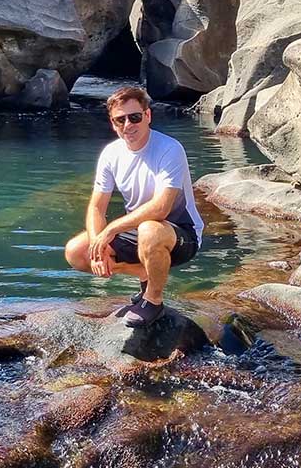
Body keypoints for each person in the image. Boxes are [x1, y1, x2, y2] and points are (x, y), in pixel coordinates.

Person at [63, 85, 204, 327]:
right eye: (120, 120)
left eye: (134, 117)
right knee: (76, 251)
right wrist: (99, 246)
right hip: (137, 232)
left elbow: (161, 208)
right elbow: (97, 206)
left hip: (181, 233)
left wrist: (112, 230)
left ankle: (153, 301)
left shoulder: (169, 149)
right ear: (112, 123)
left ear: (147, 116)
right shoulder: (111, 154)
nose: (128, 125)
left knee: (150, 229)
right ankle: (140, 272)